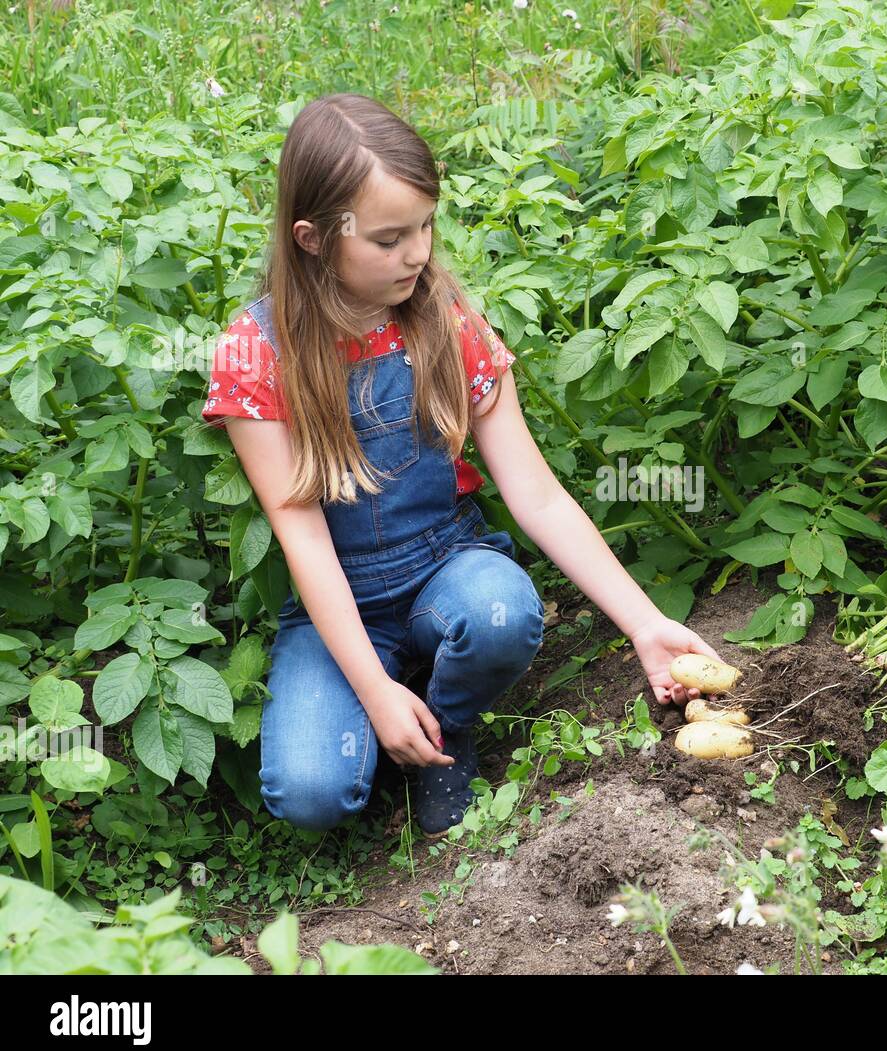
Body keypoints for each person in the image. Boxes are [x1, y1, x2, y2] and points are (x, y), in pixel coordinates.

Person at [200, 93, 722, 838]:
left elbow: (535, 494)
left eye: (425, 226)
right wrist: (375, 690)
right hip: (337, 597)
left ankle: (448, 728)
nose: (417, 253)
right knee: (309, 794)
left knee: (502, 612)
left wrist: (643, 623)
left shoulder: (443, 322)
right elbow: (305, 541)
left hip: (448, 568)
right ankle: (390, 711)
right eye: (388, 239)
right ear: (312, 238)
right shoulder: (257, 354)